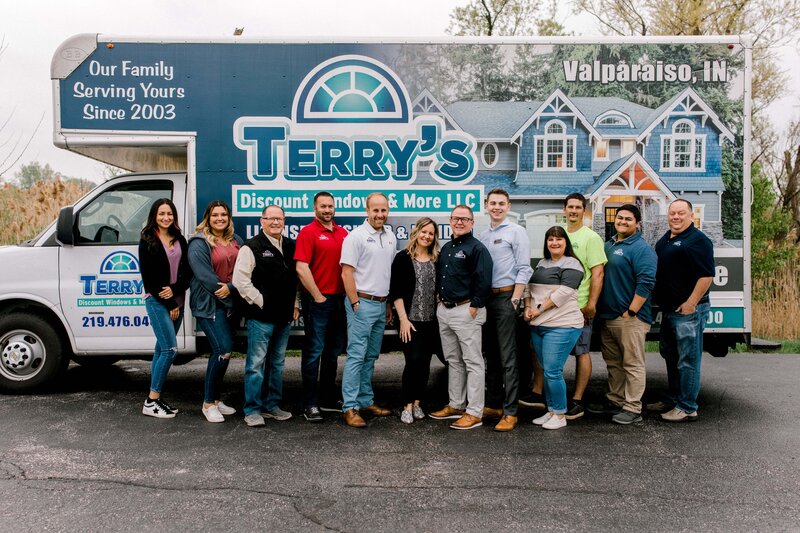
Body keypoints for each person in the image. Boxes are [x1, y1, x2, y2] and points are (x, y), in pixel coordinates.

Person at [521, 192, 606, 420]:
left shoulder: (591, 238)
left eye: (578, 207)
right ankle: (549, 405)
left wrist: (591, 304)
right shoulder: (551, 248)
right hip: (543, 319)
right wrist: (529, 307)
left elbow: (597, 273)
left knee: (580, 353)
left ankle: (575, 402)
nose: (574, 211)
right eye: (570, 207)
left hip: (575, 310)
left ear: (583, 210)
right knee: (548, 364)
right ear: (564, 209)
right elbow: (531, 285)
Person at [233, 205, 300, 427]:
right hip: (261, 317)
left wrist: (296, 303)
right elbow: (240, 281)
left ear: (284, 221)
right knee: (256, 364)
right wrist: (262, 301)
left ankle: (272, 406)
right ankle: (252, 409)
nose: (275, 223)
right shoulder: (251, 247)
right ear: (261, 221)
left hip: (284, 317)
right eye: (270, 219)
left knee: (277, 363)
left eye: (279, 219)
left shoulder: (291, 245)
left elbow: (296, 280)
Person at [649, 199, 714, 422]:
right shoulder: (666, 239)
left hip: (688, 312)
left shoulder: (698, 240)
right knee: (671, 355)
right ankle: (673, 399)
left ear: (691, 216)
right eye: (672, 213)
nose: (676, 217)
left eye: (681, 213)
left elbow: (706, 276)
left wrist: (691, 303)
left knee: (688, 359)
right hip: (669, 310)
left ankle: (687, 407)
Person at [429, 205, 493, 430]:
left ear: (472, 223)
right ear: (450, 220)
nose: (459, 222)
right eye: (456, 218)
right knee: (453, 360)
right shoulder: (446, 248)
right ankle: (456, 404)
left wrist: (475, 306)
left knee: (473, 361)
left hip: (466, 311)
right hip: (445, 311)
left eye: (464, 219)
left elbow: (484, 280)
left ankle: (474, 412)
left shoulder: (477, 248)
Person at [592, 204, 657, 424]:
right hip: (608, 317)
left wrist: (631, 311)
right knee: (614, 363)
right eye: (620, 218)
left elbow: (646, 282)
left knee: (632, 363)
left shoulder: (641, 248)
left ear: (637, 223)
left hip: (629, 318)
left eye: (628, 219)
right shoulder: (609, 244)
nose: (622, 222)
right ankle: (616, 401)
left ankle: (633, 408)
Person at [339, 193, 397, 428]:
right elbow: (346, 272)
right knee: (356, 356)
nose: (380, 215)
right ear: (367, 210)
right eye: (375, 210)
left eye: (383, 210)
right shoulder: (356, 237)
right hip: (361, 303)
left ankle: (365, 400)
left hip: (381, 303)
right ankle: (350, 407)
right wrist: (354, 302)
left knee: (371, 356)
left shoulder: (391, 236)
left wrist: (389, 304)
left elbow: (387, 272)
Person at [479, 189, 532, 432]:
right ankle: (493, 404)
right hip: (487, 299)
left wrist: (516, 298)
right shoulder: (483, 234)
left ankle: (510, 412)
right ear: (486, 205)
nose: (497, 207)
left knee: (508, 357)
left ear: (508, 206)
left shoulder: (516, 232)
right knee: (491, 354)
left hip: (506, 297)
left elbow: (524, 268)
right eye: (493, 203)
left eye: (501, 203)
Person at [523, 226, 585, 430]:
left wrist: (537, 310)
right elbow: (530, 289)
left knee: (553, 371)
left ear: (566, 242)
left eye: (559, 239)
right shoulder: (542, 263)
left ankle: (559, 415)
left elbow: (563, 293)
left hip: (563, 325)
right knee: (547, 369)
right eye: (550, 239)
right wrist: (528, 308)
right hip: (539, 326)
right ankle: (551, 410)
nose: (554, 243)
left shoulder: (573, 264)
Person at [295, 192, 349, 423]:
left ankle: (327, 398)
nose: (327, 210)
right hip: (318, 301)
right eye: (323, 206)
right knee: (313, 352)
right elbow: (301, 268)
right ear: (314, 208)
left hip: (340, 301)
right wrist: (317, 296)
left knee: (332, 353)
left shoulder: (343, 233)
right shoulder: (308, 232)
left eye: (330, 206)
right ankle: (310, 403)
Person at [188, 200, 243, 423]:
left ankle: (216, 400)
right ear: (207, 218)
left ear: (228, 218)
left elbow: (244, 270)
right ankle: (208, 403)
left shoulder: (236, 240)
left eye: (223, 215)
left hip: (230, 302)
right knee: (223, 349)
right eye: (215, 215)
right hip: (209, 304)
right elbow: (204, 276)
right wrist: (226, 292)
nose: (219, 218)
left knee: (222, 354)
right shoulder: (199, 243)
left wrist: (231, 288)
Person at [139, 198, 191, 419]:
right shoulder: (147, 239)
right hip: (158, 302)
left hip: (178, 301)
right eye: (161, 214)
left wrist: (176, 290)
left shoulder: (180, 239)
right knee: (170, 350)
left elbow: (188, 272)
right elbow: (149, 278)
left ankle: (155, 399)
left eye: (169, 213)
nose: (165, 217)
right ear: (154, 216)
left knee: (161, 349)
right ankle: (151, 400)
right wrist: (170, 302)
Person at [389, 217, 442, 425]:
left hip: (431, 322)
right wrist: (403, 319)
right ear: (416, 232)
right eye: (424, 232)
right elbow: (397, 291)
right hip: (409, 321)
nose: (427, 236)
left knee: (425, 364)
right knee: (412, 362)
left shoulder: (436, 259)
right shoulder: (403, 258)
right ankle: (407, 405)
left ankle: (418, 402)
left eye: (431, 233)